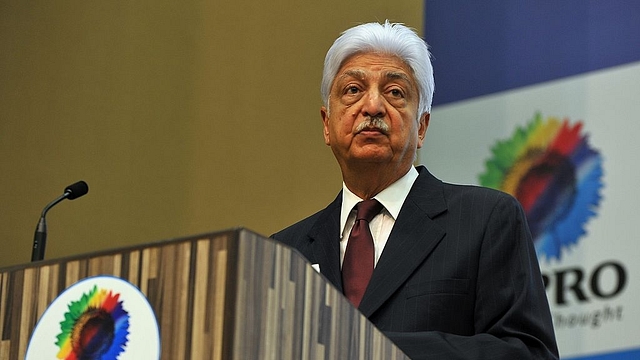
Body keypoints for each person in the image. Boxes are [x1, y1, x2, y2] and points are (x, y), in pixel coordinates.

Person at [271, 21, 559, 359]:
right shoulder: (283, 253)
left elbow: (528, 353)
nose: (373, 106)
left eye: (395, 92)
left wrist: (375, 350)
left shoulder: (485, 219)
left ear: (421, 127)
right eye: (352, 90)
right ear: (326, 124)